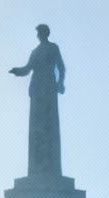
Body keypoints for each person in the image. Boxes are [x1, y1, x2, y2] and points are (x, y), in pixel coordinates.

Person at [9, 24, 67, 177]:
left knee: (49, 124)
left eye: (40, 32)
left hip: (48, 86)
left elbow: (61, 67)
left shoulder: (53, 48)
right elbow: (28, 68)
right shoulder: (35, 51)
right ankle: (37, 168)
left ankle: (50, 168)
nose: (38, 35)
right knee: (36, 127)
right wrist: (17, 71)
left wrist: (60, 82)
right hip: (36, 88)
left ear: (45, 33)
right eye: (37, 33)